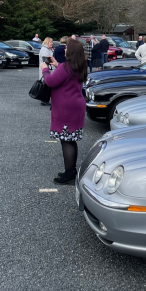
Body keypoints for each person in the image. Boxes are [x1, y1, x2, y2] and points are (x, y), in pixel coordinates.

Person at [41, 38, 87, 184]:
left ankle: (69, 174)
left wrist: (45, 69)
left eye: (67, 47)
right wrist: (57, 65)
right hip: (76, 106)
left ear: (71, 51)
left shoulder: (67, 66)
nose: (64, 49)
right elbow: (66, 76)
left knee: (66, 140)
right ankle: (71, 170)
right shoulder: (78, 65)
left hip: (66, 107)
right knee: (71, 140)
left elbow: (50, 81)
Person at [38, 38, 54, 105]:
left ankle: (45, 99)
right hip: (46, 68)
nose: (52, 43)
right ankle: (44, 100)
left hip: (48, 68)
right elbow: (46, 60)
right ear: (47, 42)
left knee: (46, 84)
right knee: (45, 84)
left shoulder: (48, 49)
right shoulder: (45, 50)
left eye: (52, 42)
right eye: (50, 42)